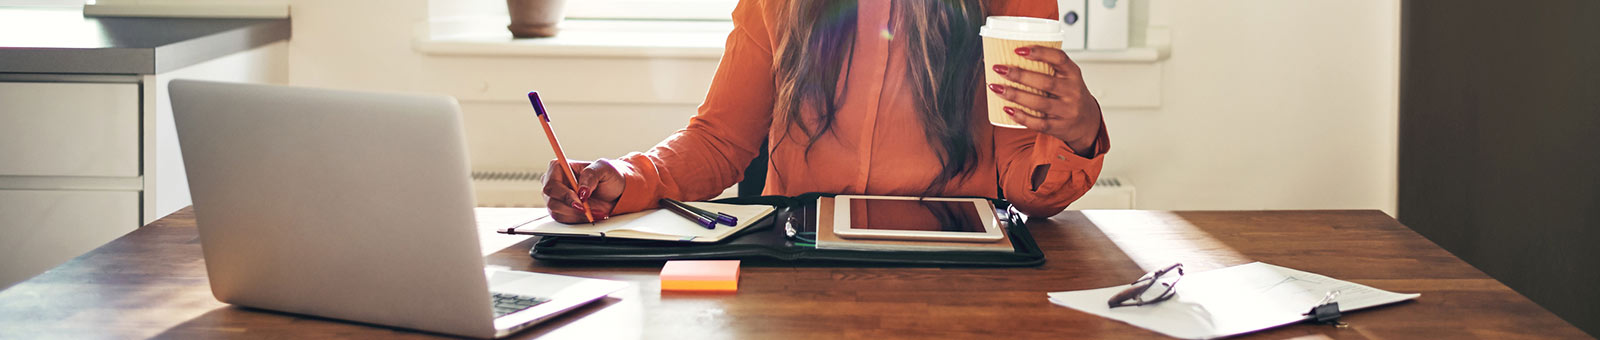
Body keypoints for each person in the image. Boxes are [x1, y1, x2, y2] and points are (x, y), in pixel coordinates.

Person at [542, 0, 1108, 223]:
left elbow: (1025, 180)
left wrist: (1077, 133)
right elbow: (719, 141)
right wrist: (628, 176)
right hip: (803, 256)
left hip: (958, 263)